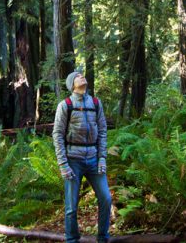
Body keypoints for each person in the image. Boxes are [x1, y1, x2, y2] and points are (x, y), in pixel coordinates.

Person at [53, 70, 111, 243]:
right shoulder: (66, 105)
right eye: (78, 76)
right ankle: (72, 239)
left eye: (82, 75)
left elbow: (102, 131)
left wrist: (102, 158)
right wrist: (63, 164)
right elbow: (57, 135)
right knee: (71, 206)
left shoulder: (95, 103)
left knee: (106, 198)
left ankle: (103, 238)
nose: (82, 76)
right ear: (72, 84)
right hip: (73, 160)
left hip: (94, 159)